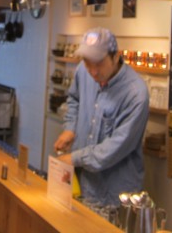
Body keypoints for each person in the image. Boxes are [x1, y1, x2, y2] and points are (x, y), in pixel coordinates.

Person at [53, 27, 149, 207]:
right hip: (82, 184)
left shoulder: (136, 94)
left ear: (115, 57)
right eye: (88, 62)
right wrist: (70, 128)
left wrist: (74, 159)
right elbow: (74, 99)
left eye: (98, 63)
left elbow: (114, 148)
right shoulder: (83, 71)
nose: (93, 71)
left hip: (113, 195)